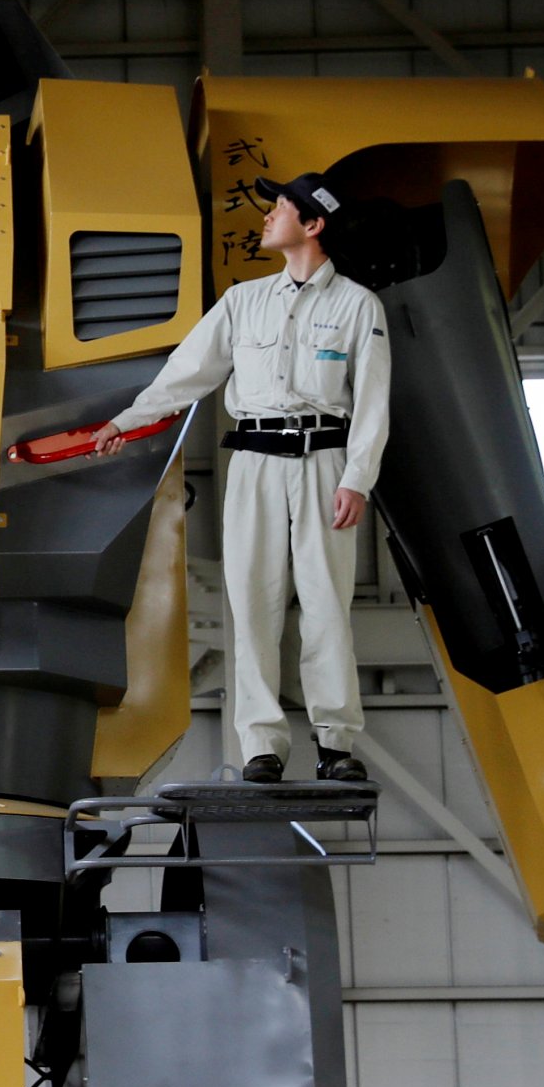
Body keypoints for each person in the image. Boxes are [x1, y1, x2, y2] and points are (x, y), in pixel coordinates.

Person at [91, 172, 390, 784]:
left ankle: (336, 744)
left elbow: (374, 404)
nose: (267, 216)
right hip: (252, 464)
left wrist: (357, 479)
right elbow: (187, 373)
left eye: (280, 208)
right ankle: (262, 746)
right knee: (251, 602)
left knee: (327, 605)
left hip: (324, 463)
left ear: (313, 225)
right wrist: (131, 419)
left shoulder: (358, 306)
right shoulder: (242, 302)